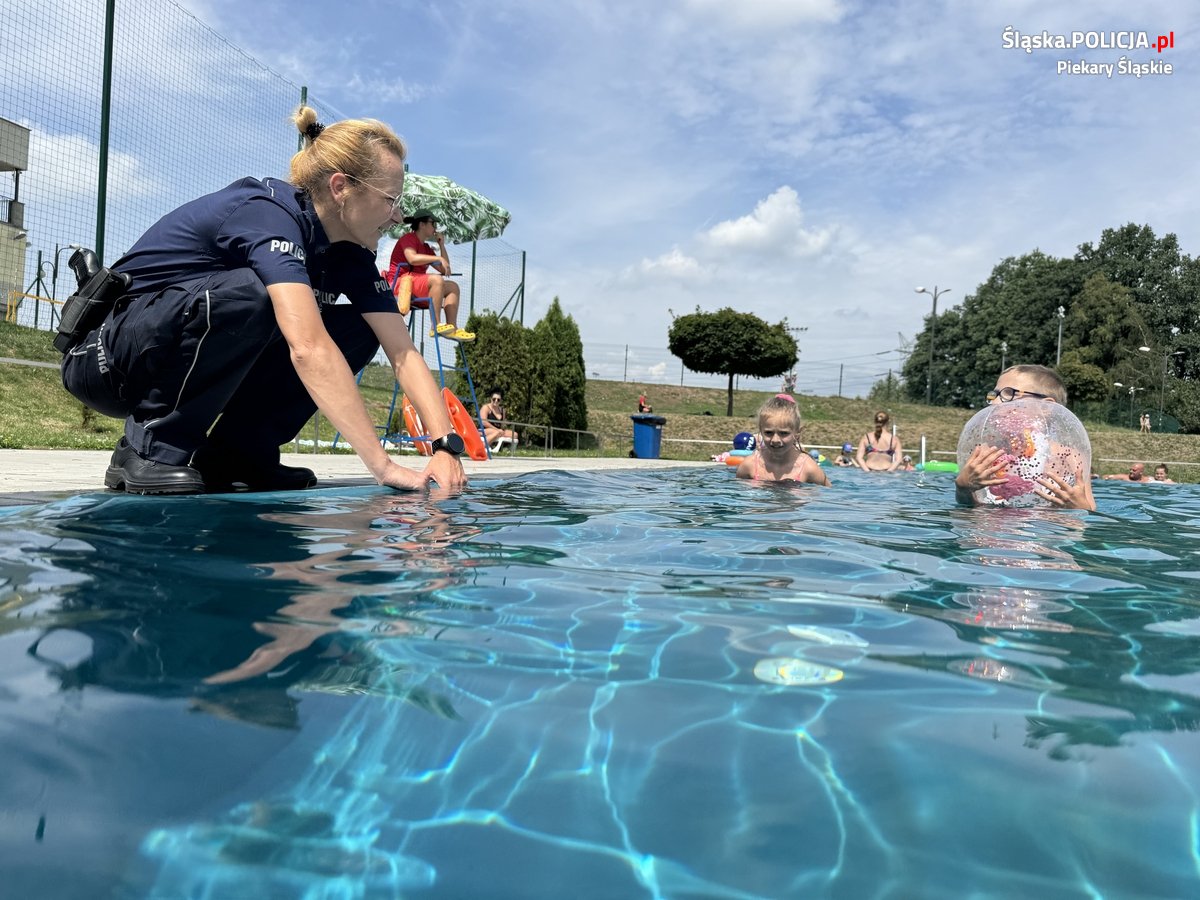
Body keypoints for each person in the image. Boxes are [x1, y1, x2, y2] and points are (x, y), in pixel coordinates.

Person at [59, 106, 468, 496]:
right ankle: (150, 447)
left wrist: (445, 447)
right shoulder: (268, 215)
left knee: (360, 328)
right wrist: (383, 466)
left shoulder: (348, 251)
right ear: (341, 187)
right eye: (391, 199)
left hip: (161, 352)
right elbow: (308, 348)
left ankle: (237, 455)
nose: (397, 217)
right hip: (104, 361)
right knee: (255, 295)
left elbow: (403, 352)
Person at [956, 365, 1095, 510]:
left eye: (1008, 393)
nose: (995, 402)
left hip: (1048, 524)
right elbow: (971, 508)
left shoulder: (1070, 457)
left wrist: (1078, 506)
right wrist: (963, 487)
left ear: (1046, 407)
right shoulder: (985, 454)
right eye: (994, 395)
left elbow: (1089, 512)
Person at [386, 209, 473, 342]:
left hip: (415, 283)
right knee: (437, 280)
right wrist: (438, 258)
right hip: (401, 284)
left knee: (453, 287)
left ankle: (452, 328)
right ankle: (436, 325)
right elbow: (412, 259)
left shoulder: (426, 248)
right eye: (433, 223)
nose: (435, 228)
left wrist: (441, 245)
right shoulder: (408, 238)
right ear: (422, 224)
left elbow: (445, 269)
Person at [736, 394, 830, 485]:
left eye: (784, 433)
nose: (775, 440)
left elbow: (828, 492)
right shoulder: (750, 465)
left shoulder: (808, 468)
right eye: (768, 433)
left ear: (797, 433)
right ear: (761, 431)